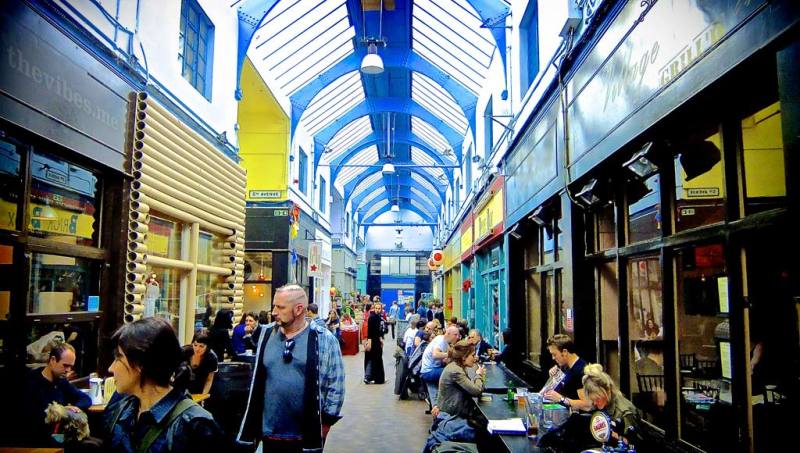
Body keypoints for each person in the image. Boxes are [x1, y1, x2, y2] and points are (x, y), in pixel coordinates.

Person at [237, 285, 345, 452]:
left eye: (280, 307)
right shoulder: (266, 335)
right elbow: (258, 381)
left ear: (299, 309)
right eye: (274, 306)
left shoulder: (324, 339)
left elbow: (336, 383)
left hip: (304, 436)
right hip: (269, 433)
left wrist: (326, 422)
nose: (273, 312)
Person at [104, 317, 224, 451]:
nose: (111, 368)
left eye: (118, 358)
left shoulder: (195, 425)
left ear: (140, 364)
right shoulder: (119, 405)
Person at [22, 343, 92, 446]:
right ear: (53, 360)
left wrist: (74, 408)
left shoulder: (61, 381)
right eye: (65, 365)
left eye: (71, 366)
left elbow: (86, 399)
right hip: (38, 439)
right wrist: (62, 412)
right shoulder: (31, 382)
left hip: (61, 435)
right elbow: (34, 419)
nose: (68, 370)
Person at [582, 364, 642, 447]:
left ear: (608, 390)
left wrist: (610, 432)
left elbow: (634, 444)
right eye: (593, 400)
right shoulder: (603, 403)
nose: (595, 403)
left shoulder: (624, 413)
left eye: (597, 399)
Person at [430, 340, 486, 427]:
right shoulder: (456, 371)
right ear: (464, 357)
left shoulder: (456, 366)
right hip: (452, 417)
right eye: (473, 355)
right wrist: (478, 375)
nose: (475, 358)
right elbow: (476, 390)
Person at [543, 334, 592, 411]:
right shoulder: (566, 366)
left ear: (565, 352)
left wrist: (561, 399)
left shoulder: (580, 371)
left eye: (554, 354)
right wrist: (554, 378)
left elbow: (587, 405)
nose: (553, 358)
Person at [421, 326, 461, 403]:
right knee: (454, 373)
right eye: (455, 335)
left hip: (430, 369)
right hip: (429, 371)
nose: (457, 337)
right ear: (448, 334)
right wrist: (450, 355)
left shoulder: (443, 341)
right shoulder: (441, 341)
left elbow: (443, 360)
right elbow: (435, 354)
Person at [175, 329, 219, 395]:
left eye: (201, 346)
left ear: (207, 347)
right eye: (195, 345)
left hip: (198, 390)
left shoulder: (212, 358)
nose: (197, 349)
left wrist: (203, 396)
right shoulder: (184, 352)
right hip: (180, 390)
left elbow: (209, 380)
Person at [364, 302, 386, 384]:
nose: (377, 310)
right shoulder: (372, 317)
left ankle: (372, 377)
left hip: (377, 340)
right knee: (372, 358)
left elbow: (379, 330)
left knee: (376, 358)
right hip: (372, 341)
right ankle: (368, 377)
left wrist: (380, 339)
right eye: (376, 308)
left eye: (379, 308)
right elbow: (370, 331)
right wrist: (369, 342)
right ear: (374, 308)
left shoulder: (379, 317)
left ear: (381, 309)